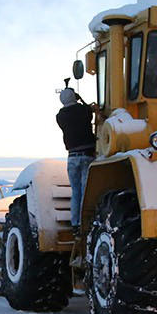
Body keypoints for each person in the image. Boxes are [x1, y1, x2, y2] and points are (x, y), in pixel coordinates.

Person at [56, 87, 93, 231]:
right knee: (86, 191)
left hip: (72, 157)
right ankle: (86, 221)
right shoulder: (83, 111)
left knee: (76, 192)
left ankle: (75, 223)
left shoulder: (60, 116)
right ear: (74, 97)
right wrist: (80, 98)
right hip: (87, 155)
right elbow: (89, 111)